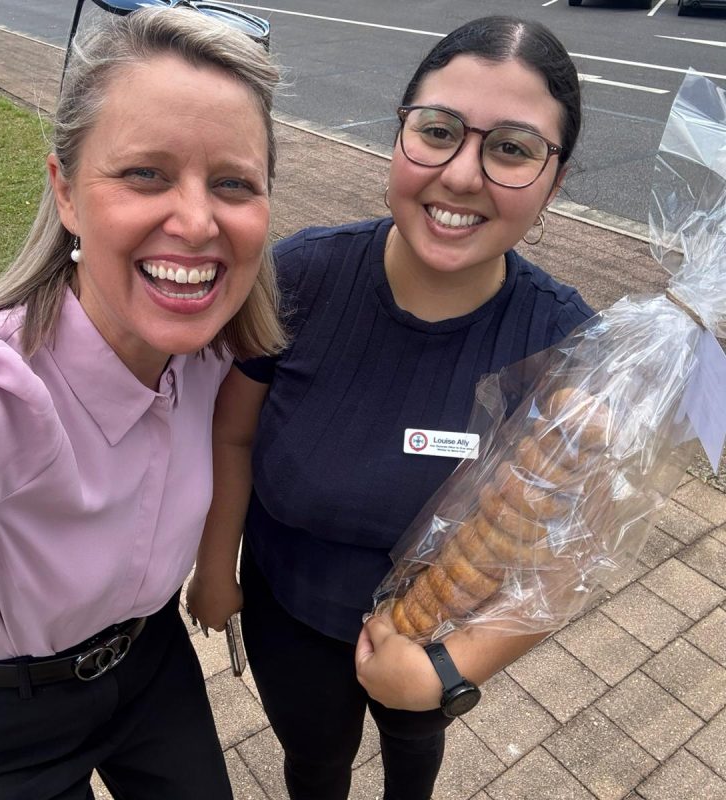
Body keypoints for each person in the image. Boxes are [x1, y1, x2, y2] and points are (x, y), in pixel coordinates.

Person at [188, 14, 596, 800]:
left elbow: (566, 556)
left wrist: (450, 668)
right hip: (288, 607)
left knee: (414, 753)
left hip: (439, 630)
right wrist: (214, 571)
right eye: (438, 131)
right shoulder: (299, 278)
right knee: (315, 761)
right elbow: (232, 435)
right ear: (400, 135)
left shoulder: (565, 346)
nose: (463, 175)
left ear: (556, 180)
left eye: (512, 149)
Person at [0, 7, 284, 800]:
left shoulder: (215, 353)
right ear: (66, 192)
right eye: (145, 173)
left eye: (233, 183)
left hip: (148, 662)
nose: (197, 221)